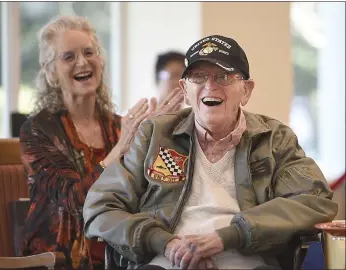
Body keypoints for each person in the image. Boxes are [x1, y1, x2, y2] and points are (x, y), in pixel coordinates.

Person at [83, 35, 338, 270]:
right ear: (184, 89)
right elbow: (100, 206)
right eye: (199, 77)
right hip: (164, 261)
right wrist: (163, 242)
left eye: (224, 77)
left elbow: (315, 200)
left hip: (247, 261)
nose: (210, 86)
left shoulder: (274, 138)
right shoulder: (155, 135)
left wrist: (227, 237)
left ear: (246, 90)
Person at [19, 15, 183, 270]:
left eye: (89, 52)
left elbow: (147, 193)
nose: (82, 62)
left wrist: (155, 137)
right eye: (68, 57)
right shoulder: (38, 131)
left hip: (120, 252)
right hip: (60, 259)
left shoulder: (117, 125)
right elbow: (73, 200)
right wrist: (122, 148)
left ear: (100, 62)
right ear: (51, 74)